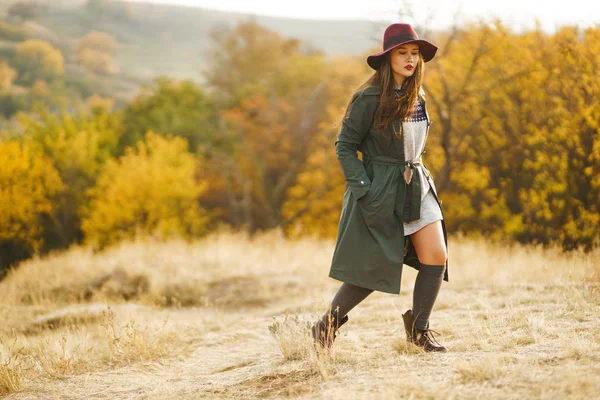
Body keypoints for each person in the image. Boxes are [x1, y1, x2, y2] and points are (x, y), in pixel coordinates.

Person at [311, 23, 450, 352]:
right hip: (381, 188)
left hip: (416, 182)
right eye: (402, 53)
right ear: (388, 58)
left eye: (415, 53)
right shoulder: (368, 97)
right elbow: (345, 146)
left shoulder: (420, 96)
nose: (410, 59)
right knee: (376, 267)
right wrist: (365, 190)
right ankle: (325, 327)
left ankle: (418, 332)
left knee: (436, 256)